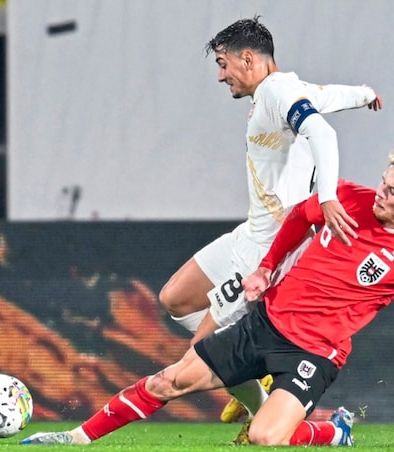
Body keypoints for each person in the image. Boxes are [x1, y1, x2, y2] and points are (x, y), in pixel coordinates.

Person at [20, 148, 394, 447]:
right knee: (168, 379)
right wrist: (268, 267)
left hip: (315, 353)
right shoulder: (347, 198)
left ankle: (328, 433)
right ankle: (76, 438)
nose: (379, 192)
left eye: (392, 191)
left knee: (264, 440)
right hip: (264, 324)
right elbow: (300, 215)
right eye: (384, 182)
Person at [157, 16, 382, 431]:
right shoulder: (286, 88)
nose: (221, 76)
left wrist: (327, 195)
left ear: (248, 58)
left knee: (200, 353)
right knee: (174, 299)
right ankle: (250, 377)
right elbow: (327, 96)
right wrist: (365, 94)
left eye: (223, 64)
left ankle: (289, 417)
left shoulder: (277, 91)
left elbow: (322, 133)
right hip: (248, 232)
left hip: (270, 247)